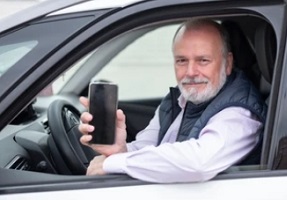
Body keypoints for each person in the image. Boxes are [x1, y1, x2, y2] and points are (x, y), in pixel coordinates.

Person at [78, 18, 267, 183]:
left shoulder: (241, 112)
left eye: (203, 60)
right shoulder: (179, 98)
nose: (191, 72)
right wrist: (120, 149)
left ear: (228, 63)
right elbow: (149, 146)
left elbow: (198, 162)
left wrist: (114, 163)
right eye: (182, 61)